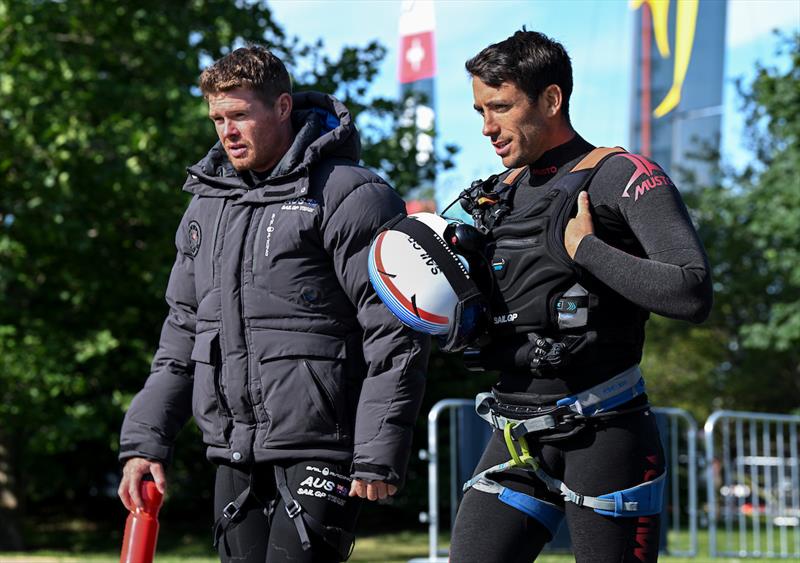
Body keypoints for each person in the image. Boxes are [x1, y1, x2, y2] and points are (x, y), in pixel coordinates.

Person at [117, 44, 429, 563]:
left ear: (283, 107)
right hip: (234, 449)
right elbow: (181, 333)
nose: (226, 131)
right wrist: (145, 442)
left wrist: (377, 452)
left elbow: (395, 330)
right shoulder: (206, 205)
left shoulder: (351, 194)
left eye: (240, 115)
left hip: (323, 446)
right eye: (217, 118)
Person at [448, 30, 712, 562]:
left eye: (500, 107)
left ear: (551, 99)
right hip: (516, 436)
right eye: (480, 110)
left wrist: (587, 249)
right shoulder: (494, 196)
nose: (487, 128)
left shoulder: (622, 176)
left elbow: (692, 291)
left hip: (607, 436)